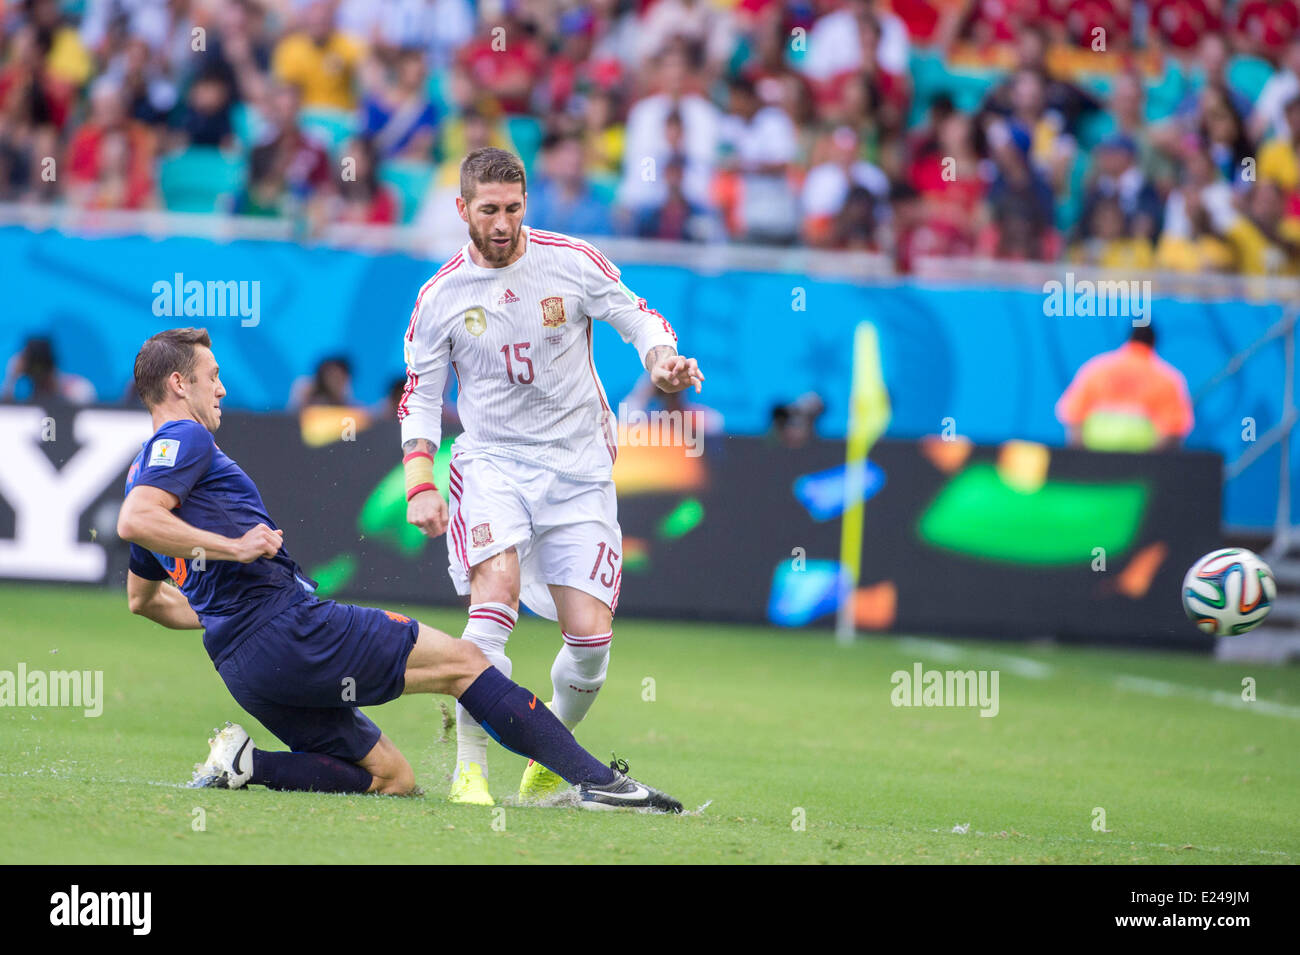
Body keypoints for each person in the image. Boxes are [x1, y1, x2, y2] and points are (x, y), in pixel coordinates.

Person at [118, 327, 681, 812]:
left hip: (244, 666)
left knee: (394, 780)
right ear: (178, 384)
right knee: (466, 662)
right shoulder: (184, 438)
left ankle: (247, 764)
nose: (221, 387)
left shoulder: (143, 469)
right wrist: (235, 548)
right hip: (290, 631)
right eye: (211, 375)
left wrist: (223, 619)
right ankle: (601, 784)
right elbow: (135, 520)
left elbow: (142, 601)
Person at [399, 147, 704, 806]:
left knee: (590, 642)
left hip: (578, 469)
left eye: (513, 207)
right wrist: (420, 477)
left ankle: (550, 754)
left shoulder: (572, 261)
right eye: (489, 210)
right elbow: (419, 396)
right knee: (495, 599)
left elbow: (637, 315)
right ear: (463, 210)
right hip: (492, 464)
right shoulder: (440, 297)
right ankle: (469, 768)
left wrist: (662, 358)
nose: (503, 222)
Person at [1055, 325, 1194, 452]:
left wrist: (1080, 456)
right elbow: (1174, 428)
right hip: (1141, 459)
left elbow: (1073, 415)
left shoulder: (1097, 369)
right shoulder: (1166, 378)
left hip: (1095, 452)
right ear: (1154, 343)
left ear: (1128, 339)